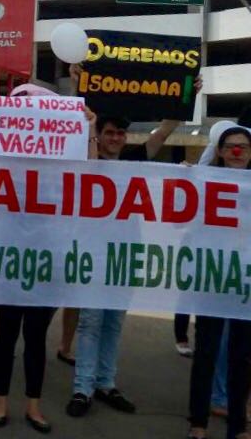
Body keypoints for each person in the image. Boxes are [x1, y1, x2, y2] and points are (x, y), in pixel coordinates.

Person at [0, 88, 99, 434]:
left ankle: (33, 403)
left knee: (35, 337)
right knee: (5, 337)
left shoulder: (61, 165)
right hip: (9, 260)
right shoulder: (2, 160)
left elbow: (90, 172)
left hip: (48, 262)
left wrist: (89, 129)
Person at [66, 111, 187, 418]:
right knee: (90, 322)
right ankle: (83, 388)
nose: (116, 138)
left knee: (113, 323)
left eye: (120, 133)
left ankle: (105, 383)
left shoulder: (134, 158)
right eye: (110, 133)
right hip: (93, 254)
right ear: (100, 135)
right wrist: (91, 125)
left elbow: (162, 133)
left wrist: (183, 102)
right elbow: (91, 167)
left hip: (125, 256)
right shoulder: (88, 158)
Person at [187, 126, 251, 439]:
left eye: (244, 147)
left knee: (242, 357)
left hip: (245, 286)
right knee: (206, 353)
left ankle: (238, 426)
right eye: (231, 146)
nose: (237, 152)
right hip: (211, 280)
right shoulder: (204, 182)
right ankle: (198, 423)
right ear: (221, 151)